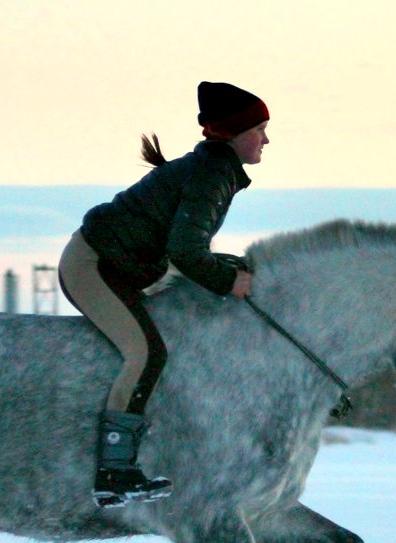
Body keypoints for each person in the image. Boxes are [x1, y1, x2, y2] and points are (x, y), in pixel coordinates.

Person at [58, 81, 269, 509]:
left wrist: (229, 268)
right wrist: (228, 282)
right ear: (233, 133)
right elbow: (185, 252)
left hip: (117, 266)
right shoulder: (213, 172)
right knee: (146, 352)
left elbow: (184, 249)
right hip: (91, 266)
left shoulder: (215, 168)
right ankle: (113, 473)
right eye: (260, 129)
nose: (267, 139)